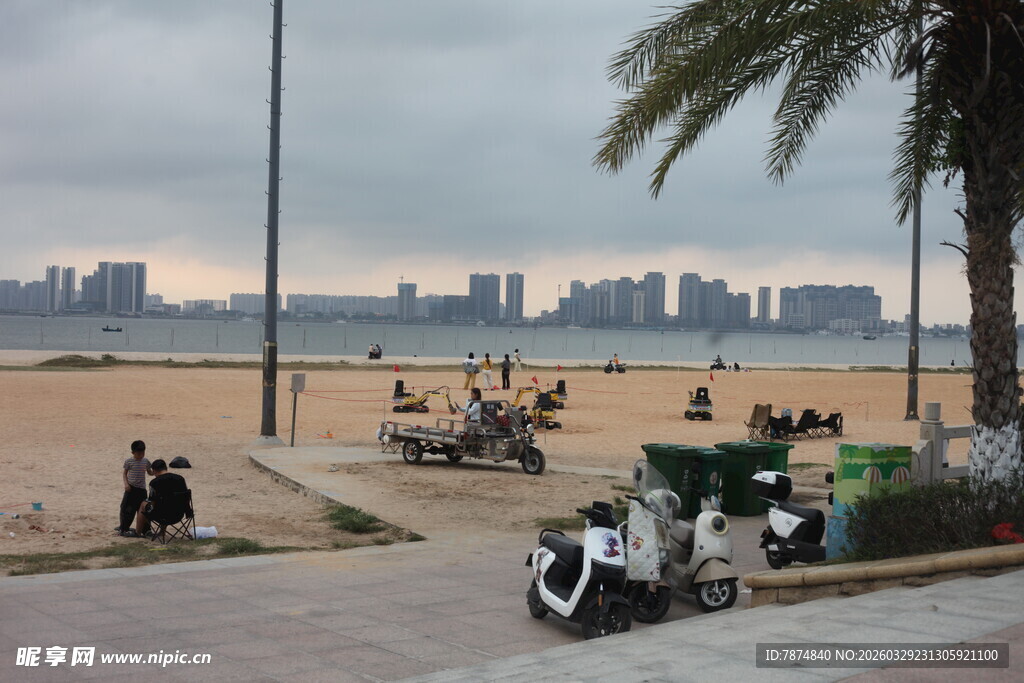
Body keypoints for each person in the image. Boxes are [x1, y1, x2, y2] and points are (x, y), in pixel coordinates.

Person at [135, 459, 188, 538]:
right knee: (168, 503)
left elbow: (152, 502)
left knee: (144, 504)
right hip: (179, 514)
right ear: (166, 468)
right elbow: (186, 497)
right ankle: (161, 532)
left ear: (154, 470)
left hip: (161, 516)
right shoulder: (180, 479)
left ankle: (138, 533)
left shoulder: (155, 482)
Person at [117, 440, 152, 537]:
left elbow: (149, 472)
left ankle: (146, 530)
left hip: (142, 490)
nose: (141, 455)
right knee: (127, 510)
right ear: (133, 453)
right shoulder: (129, 461)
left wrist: (156, 472)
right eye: (139, 453)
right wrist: (126, 484)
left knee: (144, 510)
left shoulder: (146, 461)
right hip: (131, 489)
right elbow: (124, 474)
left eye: (143, 453)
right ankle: (124, 529)